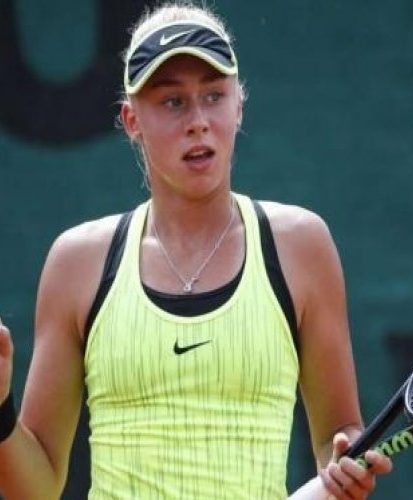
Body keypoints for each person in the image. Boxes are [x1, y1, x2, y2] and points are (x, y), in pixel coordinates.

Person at [0, 2, 392, 499]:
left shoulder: (302, 246)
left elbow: (336, 437)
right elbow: (33, 490)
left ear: (239, 106)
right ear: (131, 120)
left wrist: (343, 463)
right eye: (173, 102)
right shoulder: (76, 263)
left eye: (213, 96)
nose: (199, 121)